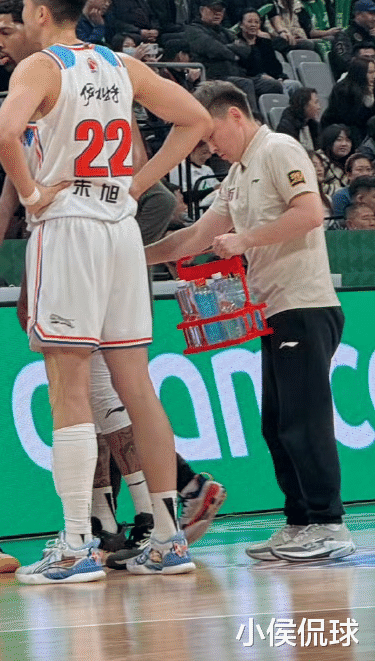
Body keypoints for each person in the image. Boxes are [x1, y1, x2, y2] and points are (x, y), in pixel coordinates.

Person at [0, 0, 211, 582]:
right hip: (119, 227)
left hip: (69, 226)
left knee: (68, 387)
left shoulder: (40, 67)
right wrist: (137, 184)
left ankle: (76, 544)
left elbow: (6, 134)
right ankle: (167, 537)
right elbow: (197, 118)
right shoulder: (120, 64)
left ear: (39, 12)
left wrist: (32, 194)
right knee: (136, 384)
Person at [146, 82, 355, 562]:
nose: (209, 147)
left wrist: (245, 240)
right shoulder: (238, 174)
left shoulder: (279, 149)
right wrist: (133, 255)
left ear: (235, 116)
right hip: (274, 312)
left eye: (211, 135)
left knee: (304, 422)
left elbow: (311, 213)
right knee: (277, 425)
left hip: (303, 306)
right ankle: (300, 522)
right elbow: (195, 236)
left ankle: (330, 524)